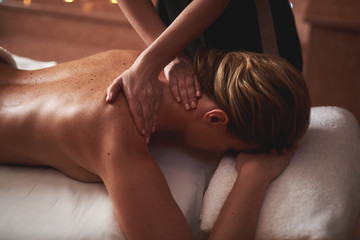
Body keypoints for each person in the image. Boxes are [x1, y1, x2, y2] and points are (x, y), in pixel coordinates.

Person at [0, 47, 310, 239]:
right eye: (232, 149)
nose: (226, 156)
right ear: (215, 119)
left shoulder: (142, 61)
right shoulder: (119, 136)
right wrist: (253, 175)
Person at [106, 0, 303, 144]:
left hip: (250, 24)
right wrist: (170, 56)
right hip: (174, 21)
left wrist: (152, 61)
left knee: (273, 133)